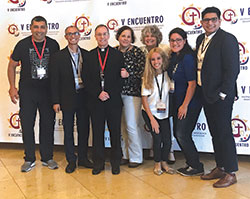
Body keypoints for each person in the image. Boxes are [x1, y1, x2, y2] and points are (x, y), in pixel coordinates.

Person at [7, 16, 59, 172]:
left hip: (48, 92)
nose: (39, 30)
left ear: (47, 28)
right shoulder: (22, 45)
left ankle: (47, 157)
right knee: (27, 125)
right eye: (36, 27)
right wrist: (12, 87)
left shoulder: (53, 44)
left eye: (42, 27)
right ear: (31, 28)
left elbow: (58, 69)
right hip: (28, 91)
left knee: (47, 125)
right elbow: (11, 66)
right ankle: (29, 158)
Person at [196, 7, 240, 188]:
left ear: (220, 21)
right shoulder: (200, 39)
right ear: (201, 22)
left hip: (221, 96)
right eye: (206, 20)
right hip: (206, 94)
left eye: (213, 19)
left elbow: (233, 70)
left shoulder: (227, 39)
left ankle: (231, 173)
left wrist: (223, 93)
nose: (209, 23)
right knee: (215, 133)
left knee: (224, 133)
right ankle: (220, 167)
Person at [50, 26, 93, 173]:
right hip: (67, 98)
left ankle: (83, 158)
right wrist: (55, 101)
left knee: (84, 129)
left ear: (79, 35)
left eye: (75, 33)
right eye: (69, 34)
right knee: (68, 130)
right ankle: (71, 160)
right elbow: (54, 81)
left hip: (84, 97)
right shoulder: (58, 57)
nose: (73, 36)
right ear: (66, 36)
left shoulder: (87, 55)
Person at [83, 24, 124, 175]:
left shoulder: (117, 55)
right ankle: (98, 163)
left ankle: (115, 163)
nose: (102, 37)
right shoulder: (89, 56)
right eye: (99, 34)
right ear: (95, 37)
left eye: (104, 34)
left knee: (115, 132)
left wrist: (108, 93)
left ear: (108, 36)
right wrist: (97, 93)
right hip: (95, 101)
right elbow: (86, 79)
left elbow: (120, 79)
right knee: (97, 133)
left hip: (113, 101)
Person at [167, 28, 203, 176]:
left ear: (185, 41)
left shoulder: (187, 57)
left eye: (178, 40)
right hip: (177, 101)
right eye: (172, 40)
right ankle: (191, 163)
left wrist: (184, 105)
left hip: (189, 103)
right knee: (179, 133)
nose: (175, 43)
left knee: (182, 133)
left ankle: (196, 165)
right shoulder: (175, 57)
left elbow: (192, 83)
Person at [140, 25, 175, 163]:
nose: (156, 62)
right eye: (153, 60)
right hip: (151, 111)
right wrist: (152, 119)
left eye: (158, 59)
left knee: (166, 138)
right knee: (157, 137)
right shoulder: (147, 77)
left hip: (164, 111)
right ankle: (157, 163)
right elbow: (144, 99)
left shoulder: (168, 74)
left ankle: (165, 161)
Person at [115, 26, 145, 168]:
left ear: (132, 38)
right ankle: (125, 155)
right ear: (118, 37)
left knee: (132, 125)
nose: (125, 38)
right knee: (121, 126)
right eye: (123, 36)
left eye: (128, 36)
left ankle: (136, 157)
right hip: (116, 93)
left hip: (132, 93)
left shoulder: (137, 52)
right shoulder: (113, 51)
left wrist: (129, 75)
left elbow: (143, 73)